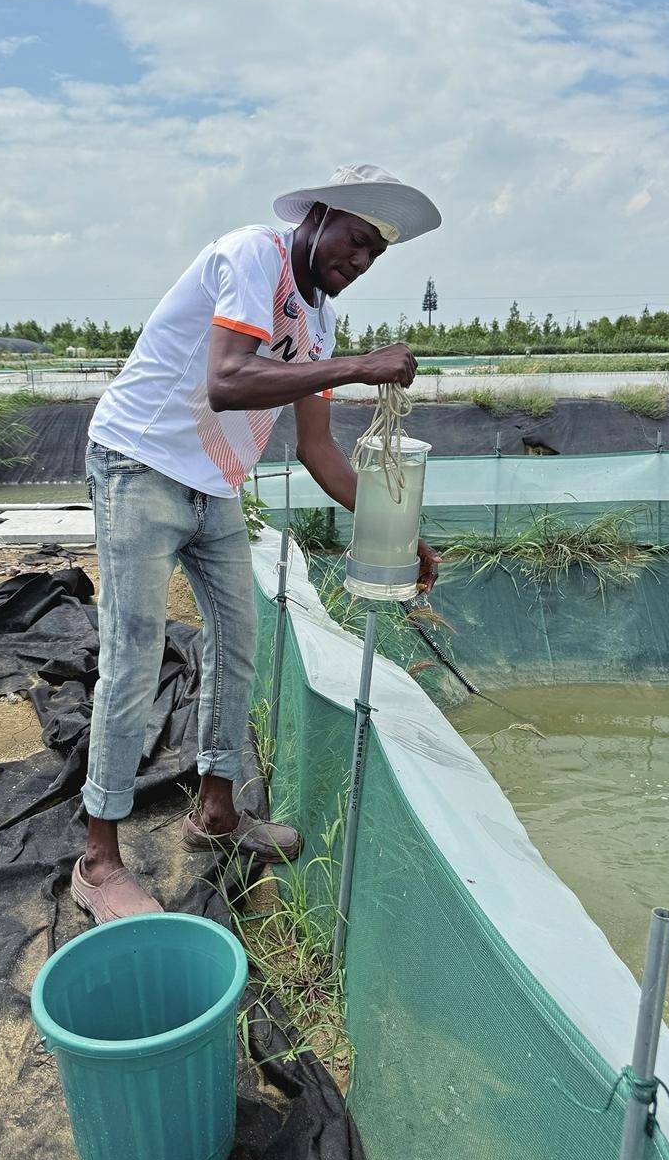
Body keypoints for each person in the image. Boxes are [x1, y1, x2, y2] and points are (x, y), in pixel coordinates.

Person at [73, 164, 443, 922]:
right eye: (354, 239)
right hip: (136, 463)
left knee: (237, 640)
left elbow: (318, 449)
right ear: (317, 215)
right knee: (133, 658)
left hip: (212, 483)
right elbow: (228, 380)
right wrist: (363, 368)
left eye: (375, 252)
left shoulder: (320, 322)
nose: (360, 260)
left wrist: (398, 533)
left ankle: (214, 814)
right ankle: (98, 860)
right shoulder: (253, 255)